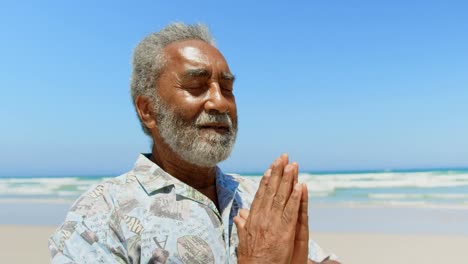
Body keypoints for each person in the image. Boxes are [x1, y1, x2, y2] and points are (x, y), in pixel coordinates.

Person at [49, 23, 340, 264]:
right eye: (196, 87)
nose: (220, 102)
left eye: (227, 89)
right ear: (148, 110)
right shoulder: (103, 212)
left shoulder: (256, 197)